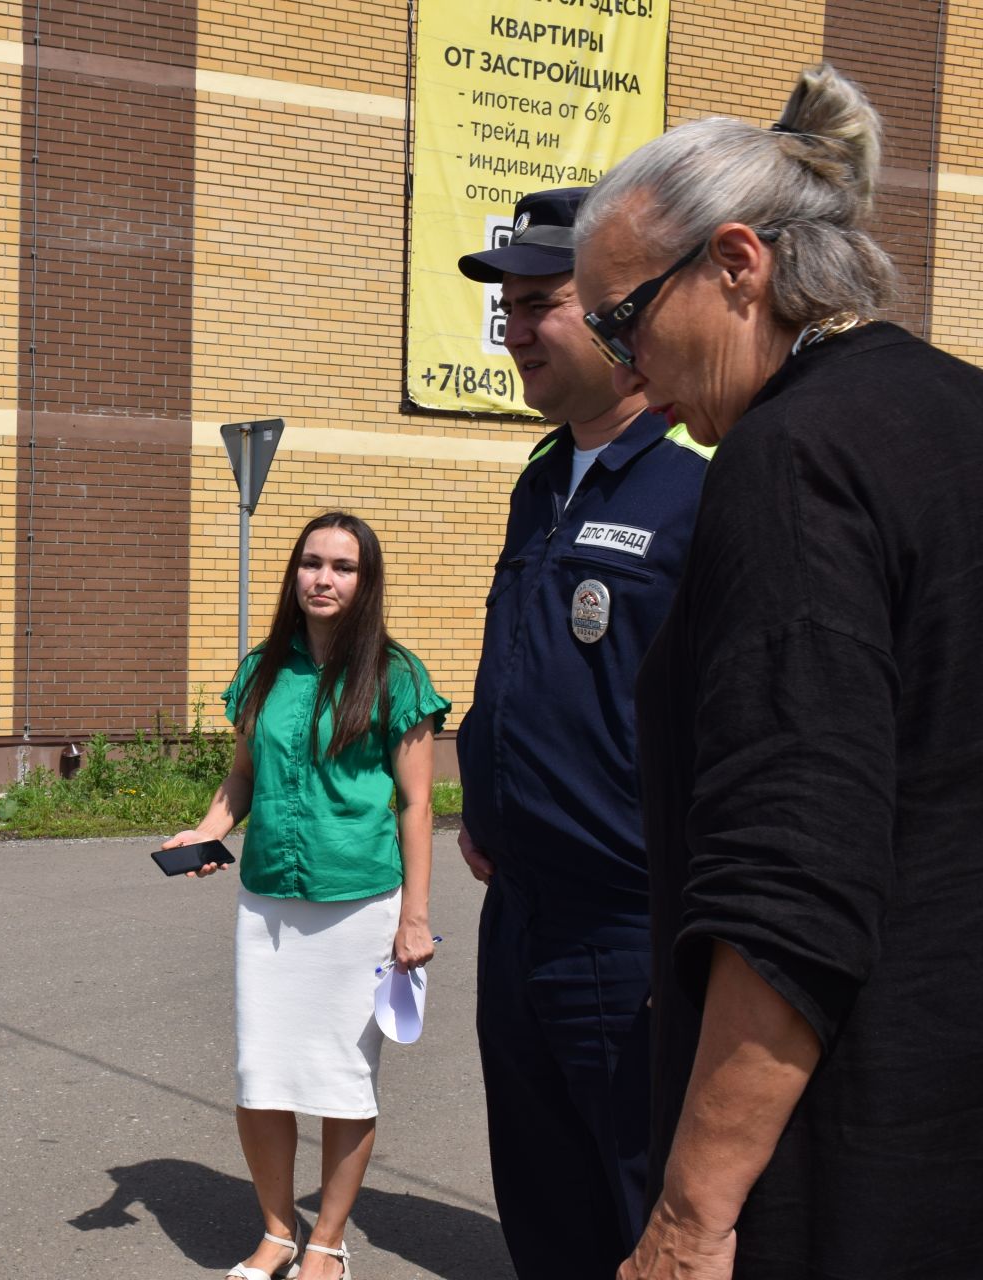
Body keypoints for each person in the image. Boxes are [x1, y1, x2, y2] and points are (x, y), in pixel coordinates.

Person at [573, 63, 983, 1277]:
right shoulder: (955, 412)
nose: (623, 368)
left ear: (739, 265)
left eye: (621, 319)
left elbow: (790, 881)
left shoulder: (790, 460)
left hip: (857, 1160)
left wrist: (689, 1217)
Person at [453, 188, 709, 1277]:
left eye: (539, 303)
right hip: (517, 919)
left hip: (623, 929)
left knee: (635, 1208)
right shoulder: (541, 483)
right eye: (504, 308)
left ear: (618, 321)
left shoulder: (699, 495)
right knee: (543, 1202)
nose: (514, 329)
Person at [164, 512, 448, 1280]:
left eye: (342, 567)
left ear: (365, 582)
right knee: (262, 1076)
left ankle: (327, 1239)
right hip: (270, 909)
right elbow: (243, 777)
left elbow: (418, 806)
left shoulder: (397, 675)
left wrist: (415, 918)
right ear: (294, 575)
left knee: (343, 1080)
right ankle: (274, 1232)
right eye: (311, 563)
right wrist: (204, 830)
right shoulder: (264, 670)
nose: (323, 579)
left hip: (360, 907)